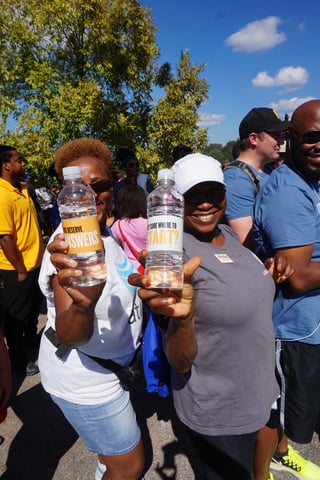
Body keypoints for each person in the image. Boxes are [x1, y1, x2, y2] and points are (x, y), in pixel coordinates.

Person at [131, 152, 293, 480]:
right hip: (219, 410)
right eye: (193, 196)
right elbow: (179, 359)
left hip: (259, 391)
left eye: (212, 193)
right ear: (175, 202)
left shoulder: (228, 234)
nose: (205, 204)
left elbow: (233, 286)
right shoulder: (174, 255)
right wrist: (182, 318)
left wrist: (266, 275)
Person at [37, 137, 145, 480]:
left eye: (97, 185)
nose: (88, 195)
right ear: (63, 194)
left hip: (109, 366)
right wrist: (84, 307)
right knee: (129, 467)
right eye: (77, 188)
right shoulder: (68, 248)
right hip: (86, 378)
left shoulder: (105, 233)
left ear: (111, 185)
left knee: (108, 460)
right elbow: (70, 332)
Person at [253, 99, 320, 480]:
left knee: (290, 412)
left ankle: (282, 455)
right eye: (311, 137)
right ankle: (260, 473)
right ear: (290, 139)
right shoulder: (289, 192)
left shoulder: (310, 182)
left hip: (311, 322)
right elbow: (296, 277)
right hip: (294, 329)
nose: (319, 145)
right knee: (275, 409)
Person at [0, 145, 44, 376]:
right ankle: (17, 359)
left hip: (34, 264)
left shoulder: (21, 189)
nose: (23, 163)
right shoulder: (2, 195)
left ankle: (31, 346)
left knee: (32, 311)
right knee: (16, 316)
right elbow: (5, 238)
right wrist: (20, 269)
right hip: (16, 268)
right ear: (6, 165)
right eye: (19, 160)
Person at [224, 107, 289, 250]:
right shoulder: (236, 180)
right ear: (253, 139)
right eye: (276, 135)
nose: (282, 141)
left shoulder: (269, 169)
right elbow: (247, 243)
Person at [111, 184, 147, 273]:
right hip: (153, 268)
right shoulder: (150, 223)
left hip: (132, 271)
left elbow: (116, 249)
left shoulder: (117, 226)